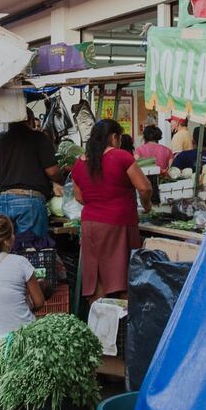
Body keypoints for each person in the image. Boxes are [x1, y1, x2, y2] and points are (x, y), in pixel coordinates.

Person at [71, 119, 152, 302]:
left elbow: (78, 196)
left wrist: (97, 203)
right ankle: (123, 326)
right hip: (118, 222)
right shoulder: (121, 157)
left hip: (90, 224)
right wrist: (147, 206)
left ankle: (99, 325)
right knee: (122, 275)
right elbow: (144, 187)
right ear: (114, 137)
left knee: (96, 277)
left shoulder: (80, 163)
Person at [0, 115, 61, 238]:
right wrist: (60, 179)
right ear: (29, 121)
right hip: (28, 200)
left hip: (4, 201)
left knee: (7, 247)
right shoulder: (38, 138)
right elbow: (52, 172)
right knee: (30, 248)